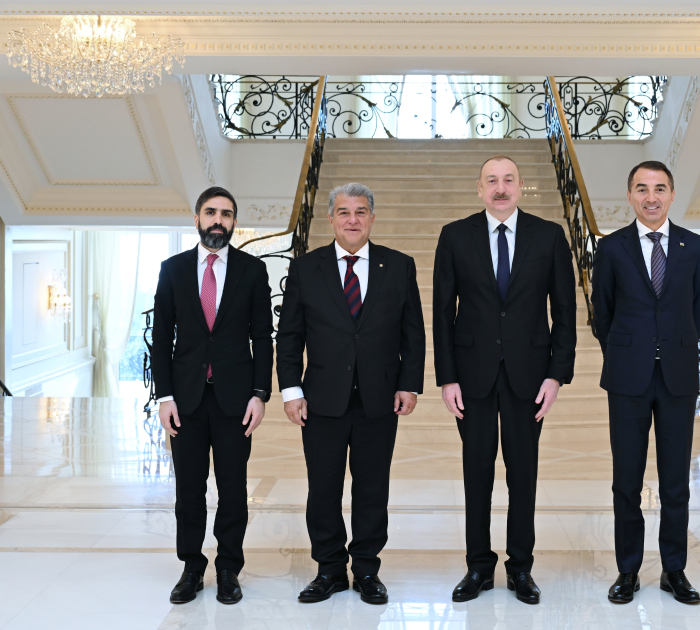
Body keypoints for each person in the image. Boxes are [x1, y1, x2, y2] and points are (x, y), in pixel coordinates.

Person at [433, 156, 576, 605]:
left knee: (523, 474)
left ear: (521, 186)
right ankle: (478, 566)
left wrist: (556, 375)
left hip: (529, 376)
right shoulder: (455, 236)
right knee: (476, 473)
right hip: (471, 376)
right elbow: (442, 312)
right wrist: (447, 377)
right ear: (479, 188)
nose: (500, 188)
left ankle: (520, 568)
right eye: (492, 181)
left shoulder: (549, 236)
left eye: (508, 180)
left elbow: (565, 312)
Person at [277, 182, 425, 605]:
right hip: (321, 400)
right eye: (344, 212)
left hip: (380, 398)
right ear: (331, 218)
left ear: (372, 218)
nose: (353, 220)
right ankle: (329, 569)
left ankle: (366, 570)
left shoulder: (399, 266)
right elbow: (289, 336)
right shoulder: (306, 268)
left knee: (372, 488)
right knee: (323, 488)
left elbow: (413, 332)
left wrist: (408, 383)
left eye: (361, 212)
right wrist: (291, 390)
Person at [590, 161, 700, 605]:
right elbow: (601, 313)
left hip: (677, 376)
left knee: (676, 480)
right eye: (641, 188)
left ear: (672, 195)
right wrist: (628, 350)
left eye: (659, 188)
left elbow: (699, 309)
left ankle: (673, 570)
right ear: (629, 196)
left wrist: (671, 345)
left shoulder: (695, 246)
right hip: (628, 378)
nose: (651, 197)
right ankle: (627, 571)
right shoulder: (612, 248)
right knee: (626, 480)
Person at [153, 186, 274, 605]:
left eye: (225, 213)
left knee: (233, 489)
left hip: (235, 401)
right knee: (188, 490)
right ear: (197, 219)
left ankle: (228, 568)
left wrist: (260, 394)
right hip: (184, 400)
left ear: (234, 222)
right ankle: (191, 567)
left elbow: (263, 336)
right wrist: (164, 396)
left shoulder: (252, 270)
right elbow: (161, 338)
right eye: (210, 212)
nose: (218, 220)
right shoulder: (172, 269)